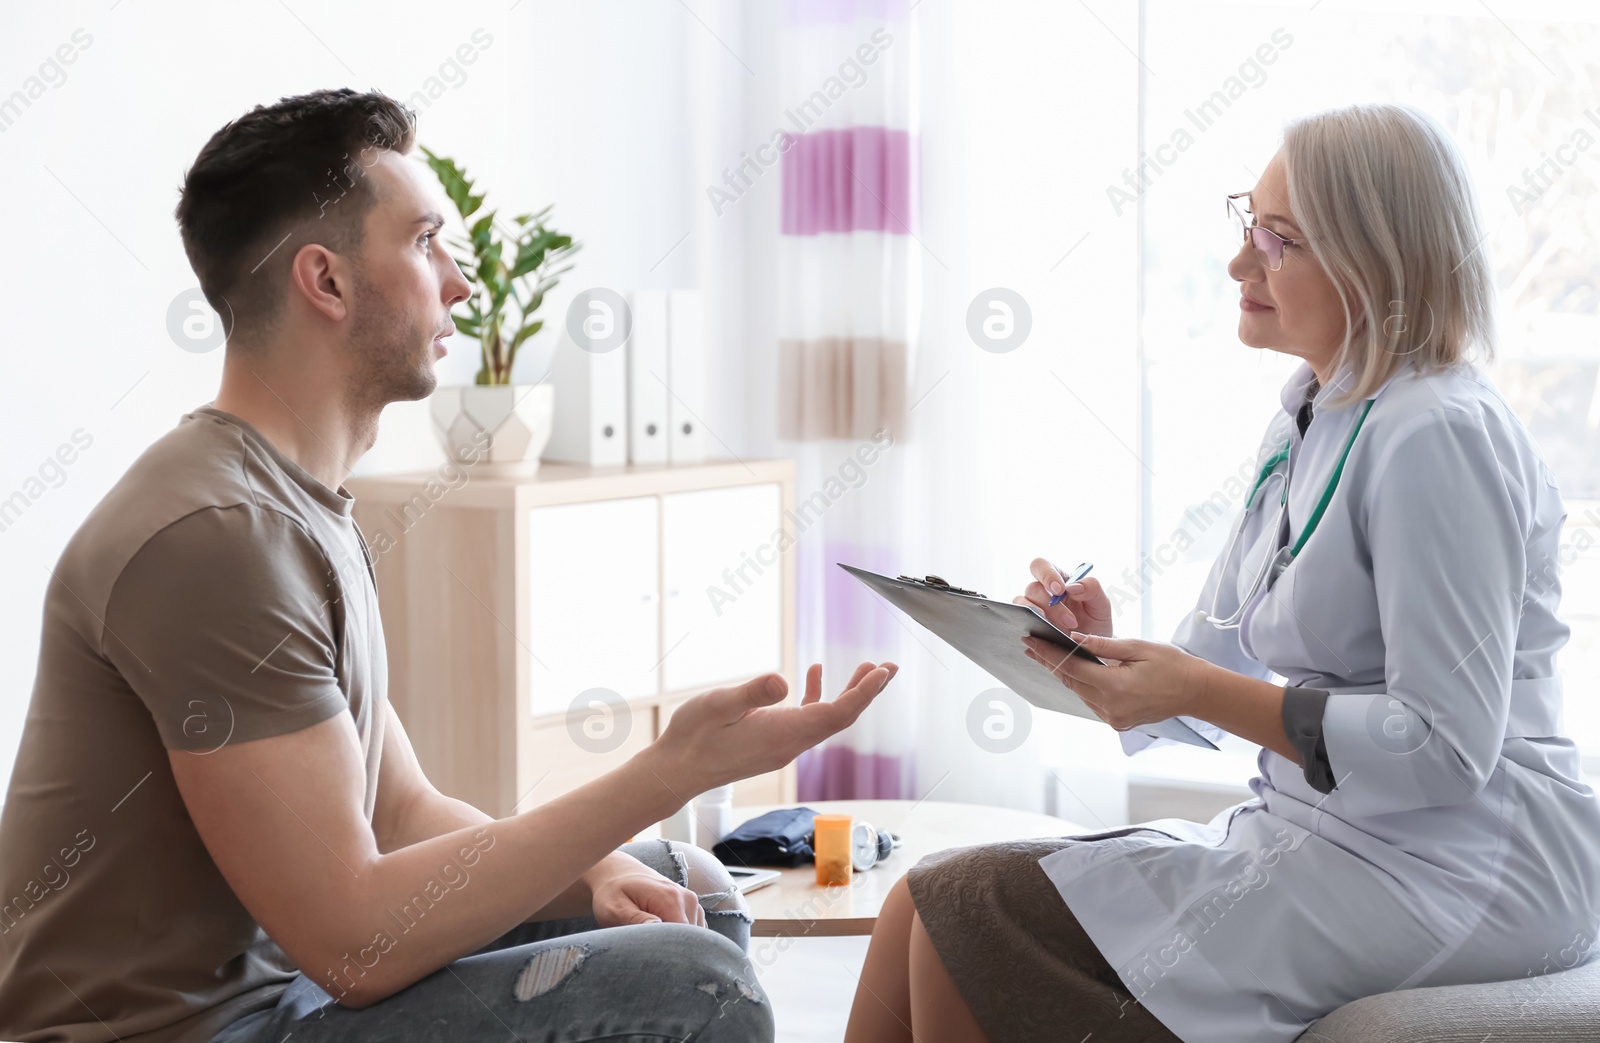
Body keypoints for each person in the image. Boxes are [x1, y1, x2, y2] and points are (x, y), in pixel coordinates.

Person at [0, 88, 898, 1043]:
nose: (460, 283)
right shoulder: (216, 536)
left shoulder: (296, 508)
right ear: (327, 282)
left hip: (287, 997)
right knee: (696, 982)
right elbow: (352, 943)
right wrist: (669, 770)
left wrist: (598, 869)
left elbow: (403, 806)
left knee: (688, 887)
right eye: (426, 240)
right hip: (197, 1031)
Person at [842, 102, 1600, 1043]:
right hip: (1332, 833)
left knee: (968, 913)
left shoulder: (1437, 432)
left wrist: (1196, 684)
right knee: (917, 902)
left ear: (1377, 264)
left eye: (1280, 242)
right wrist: (1095, 646)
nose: (1242, 264)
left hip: (1470, 862)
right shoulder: (1308, 415)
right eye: (1250, 225)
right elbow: (1207, 677)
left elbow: (1447, 748)